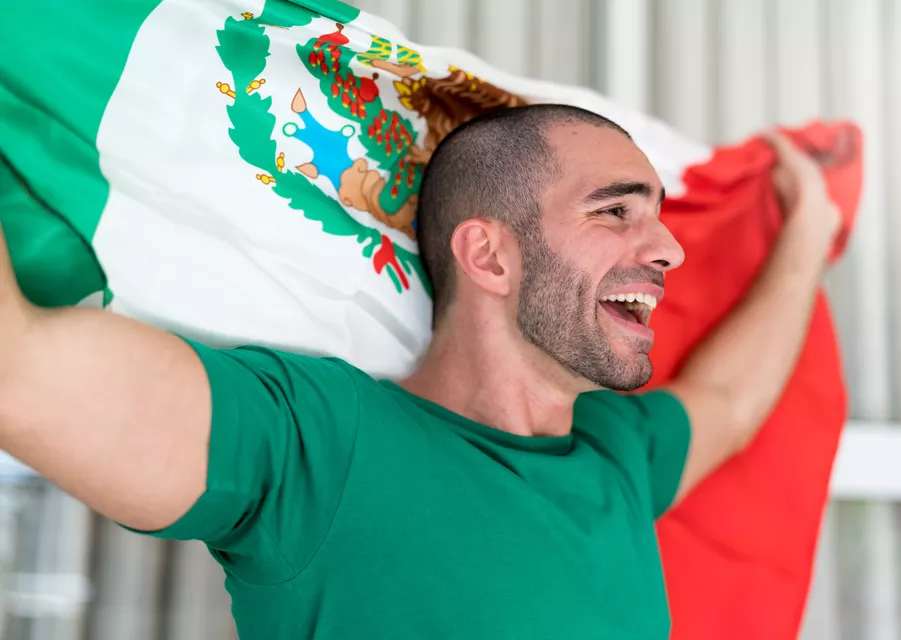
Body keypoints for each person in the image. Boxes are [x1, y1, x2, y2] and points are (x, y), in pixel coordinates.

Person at [0, 104, 840, 638]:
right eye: (615, 211)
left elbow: (731, 398)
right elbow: (19, 375)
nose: (667, 248)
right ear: (489, 254)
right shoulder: (318, 445)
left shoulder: (616, 455)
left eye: (656, 216)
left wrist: (806, 228)